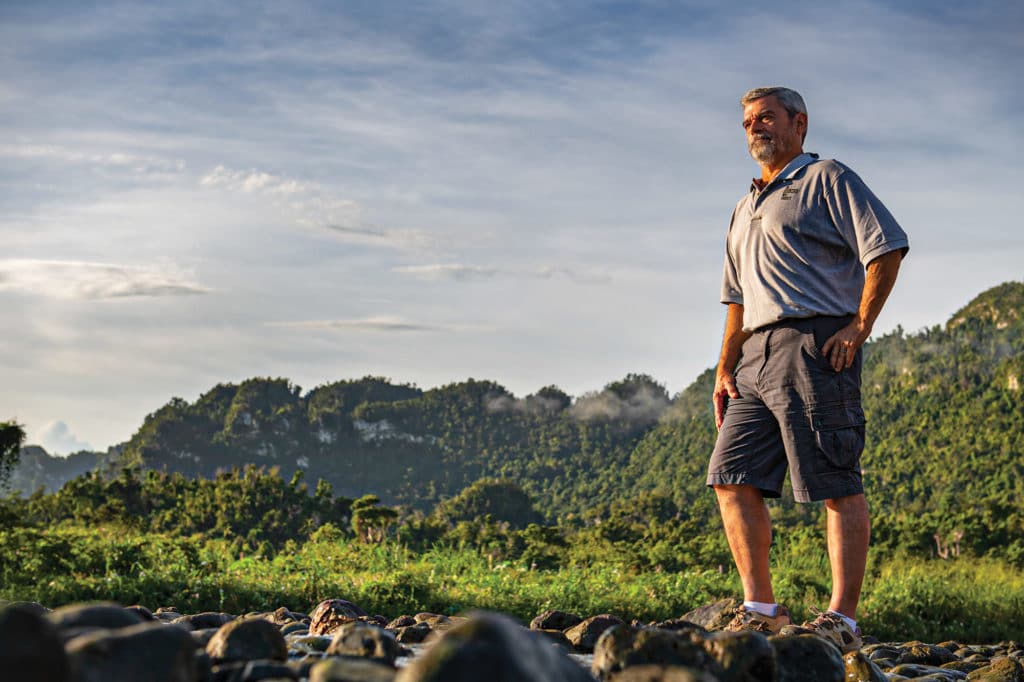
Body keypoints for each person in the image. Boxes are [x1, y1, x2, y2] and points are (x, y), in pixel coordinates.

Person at [707, 86, 908, 651]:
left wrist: (859, 326)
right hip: (753, 355)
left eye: (765, 117)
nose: (754, 128)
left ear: (799, 123)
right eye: (747, 121)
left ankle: (841, 619)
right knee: (730, 476)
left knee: (835, 480)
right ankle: (761, 608)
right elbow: (736, 300)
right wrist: (724, 368)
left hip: (818, 342)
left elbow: (885, 248)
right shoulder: (743, 207)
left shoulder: (827, 179)